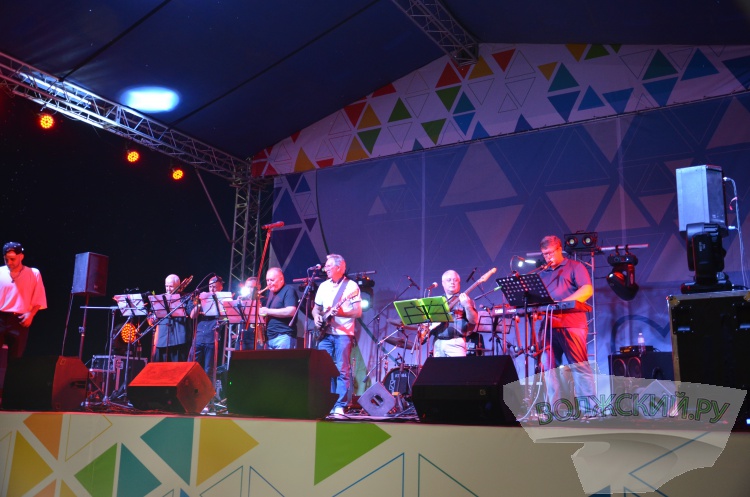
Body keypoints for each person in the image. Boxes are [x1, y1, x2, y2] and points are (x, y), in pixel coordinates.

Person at [536, 235, 595, 405]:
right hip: (548, 326)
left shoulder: (575, 266)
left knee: (579, 366)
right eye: (545, 254)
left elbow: (587, 290)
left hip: (571, 324)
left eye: (550, 252)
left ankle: (590, 409)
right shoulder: (541, 274)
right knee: (549, 369)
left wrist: (562, 304)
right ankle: (556, 409)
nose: (548, 257)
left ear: (559, 249)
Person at [313, 254, 361, 416]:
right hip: (325, 334)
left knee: (341, 369)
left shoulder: (351, 287)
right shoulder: (323, 286)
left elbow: (358, 312)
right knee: (323, 369)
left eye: (328, 266)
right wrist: (316, 317)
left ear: (339, 267)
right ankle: (326, 402)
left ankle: (340, 405)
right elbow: (316, 308)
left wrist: (341, 312)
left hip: (343, 334)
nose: (325, 269)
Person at [0, 242, 47, 359]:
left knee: (15, 360)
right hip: (1, 317)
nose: (9, 262)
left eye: (12, 259)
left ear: (21, 256)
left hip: (19, 321)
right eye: (6, 259)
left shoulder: (33, 273)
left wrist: (31, 315)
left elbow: (39, 298)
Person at [431, 269, 478, 357]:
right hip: (438, 342)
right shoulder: (437, 301)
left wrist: (467, 305)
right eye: (449, 280)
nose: (452, 282)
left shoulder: (466, 299)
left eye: (455, 280)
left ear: (459, 283)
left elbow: (474, 320)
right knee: (438, 366)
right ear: (443, 283)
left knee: (457, 366)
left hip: (456, 343)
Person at [149, 274, 193, 362]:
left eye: (171, 286)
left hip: (179, 340)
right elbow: (151, 317)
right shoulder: (160, 298)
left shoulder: (186, 297)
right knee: (159, 368)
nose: (168, 289)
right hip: (162, 339)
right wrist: (151, 319)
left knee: (177, 368)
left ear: (178, 286)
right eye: (166, 286)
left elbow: (191, 314)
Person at [190, 275, 227, 376]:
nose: (212, 289)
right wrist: (199, 303)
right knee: (191, 365)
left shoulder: (223, 301)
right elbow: (192, 316)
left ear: (221, 287)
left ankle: (209, 386)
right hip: (199, 336)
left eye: (215, 287)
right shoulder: (204, 299)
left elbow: (226, 319)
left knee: (209, 369)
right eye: (210, 287)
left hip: (212, 337)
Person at [259, 267, 299, 349]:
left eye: (272, 280)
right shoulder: (271, 293)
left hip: (283, 336)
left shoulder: (289, 290)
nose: (269, 283)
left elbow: (291, 311)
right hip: (270, 338)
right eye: (267, 280)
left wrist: (267, 311)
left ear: (281, 279)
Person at [238, 276, 263, 350]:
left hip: (257, 339)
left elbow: (264, 317)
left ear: (258, 288)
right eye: (247, 287)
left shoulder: (263, 300)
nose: (249, 290)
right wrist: (238, 304)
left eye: (251, 287)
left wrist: (260, 307)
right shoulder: (242, 300)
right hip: (242, 338)